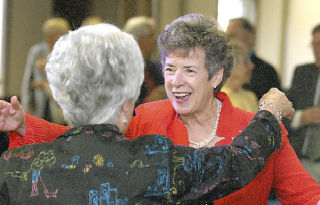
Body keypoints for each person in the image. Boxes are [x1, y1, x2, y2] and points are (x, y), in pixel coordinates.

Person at [3, 14, 320, 204]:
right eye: (169, 69)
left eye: (189, 70)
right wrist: (24, 125)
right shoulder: (147, 116)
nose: (175, 82)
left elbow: (306, 197)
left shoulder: (260, 129)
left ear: (218, 75)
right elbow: (90, 148)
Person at [286, 23, 320, 182]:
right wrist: (302, 117)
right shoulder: (302, 73)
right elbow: (284, 114)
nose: (316, 49)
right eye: (314, 44)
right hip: (302, 160)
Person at [20, 17, 70, 124]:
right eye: (47, 36)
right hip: (39, 103)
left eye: (53, 36)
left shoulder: (68, 53)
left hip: (58, 106)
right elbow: (27, 81)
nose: (49, 39)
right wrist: (27, 106)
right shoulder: (36, 51)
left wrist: (46, 75)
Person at [226, 18, 281, 100]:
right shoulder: (218, 67)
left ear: (249, 37)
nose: (228, 40)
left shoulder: (267, 71)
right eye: (227, 36)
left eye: (233, 35)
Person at [123, 16, 166, 106]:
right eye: (151, 36)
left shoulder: (152, 66)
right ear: (139, 40)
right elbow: (121, 106)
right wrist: (147, 101)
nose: (155, 40)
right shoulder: (123, 69)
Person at [221, 41, 258, 112]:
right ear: (231, 67)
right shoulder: (217, 99)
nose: (251, 66)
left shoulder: (250, 97)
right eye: (245, 62)